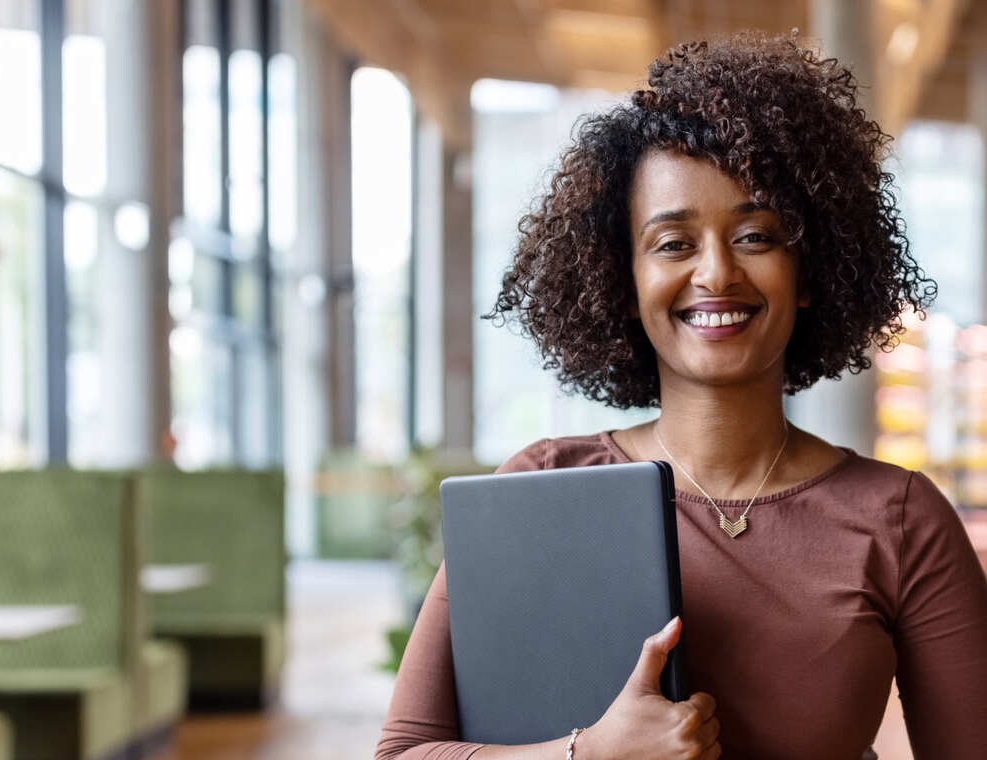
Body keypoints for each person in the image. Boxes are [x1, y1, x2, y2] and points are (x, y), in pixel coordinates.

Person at [375, 30, 987, 759]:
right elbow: (404, 754)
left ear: (813, 269)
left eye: (756, 236)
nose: (717, 274)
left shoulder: (902, 522)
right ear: (622, 283)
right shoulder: (541, 489)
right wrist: (586, 754)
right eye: (673, 243)